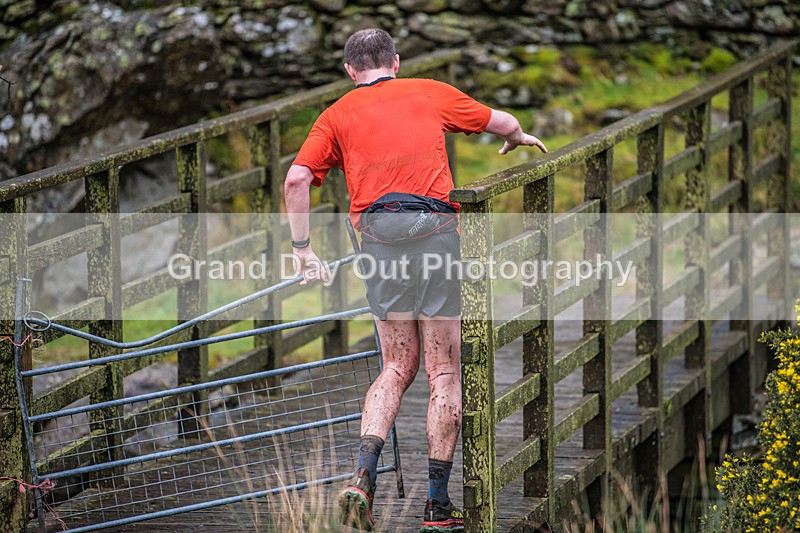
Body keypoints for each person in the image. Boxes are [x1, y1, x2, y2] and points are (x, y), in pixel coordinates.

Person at [284, 28, 547, 533]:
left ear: (350, 71)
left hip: (379, 247)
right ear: (396, 62)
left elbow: (297, 178)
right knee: (443, 372)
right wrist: (515, 136)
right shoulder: (429, 91)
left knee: (395, 367)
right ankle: (437, 507)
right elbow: (502, 121)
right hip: (436, 240)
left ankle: (362, 476)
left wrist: (302, 250)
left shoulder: (335, 115)